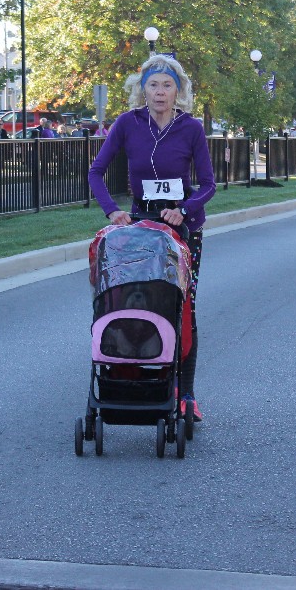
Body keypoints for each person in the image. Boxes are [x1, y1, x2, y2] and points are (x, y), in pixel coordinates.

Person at [88, 54, 216, 420]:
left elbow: (208, 184)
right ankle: (136, 379)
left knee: (182, 307)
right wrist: (112, 210)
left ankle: (187, 393)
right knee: (136, 300)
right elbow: (96, 172)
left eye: (167, 85)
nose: (160, 92)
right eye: (153, 85)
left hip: (182, 228)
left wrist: (185, 210)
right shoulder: (128, 124)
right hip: (140, 226)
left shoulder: (190, 128)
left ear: (179, 91)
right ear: (142, 90)